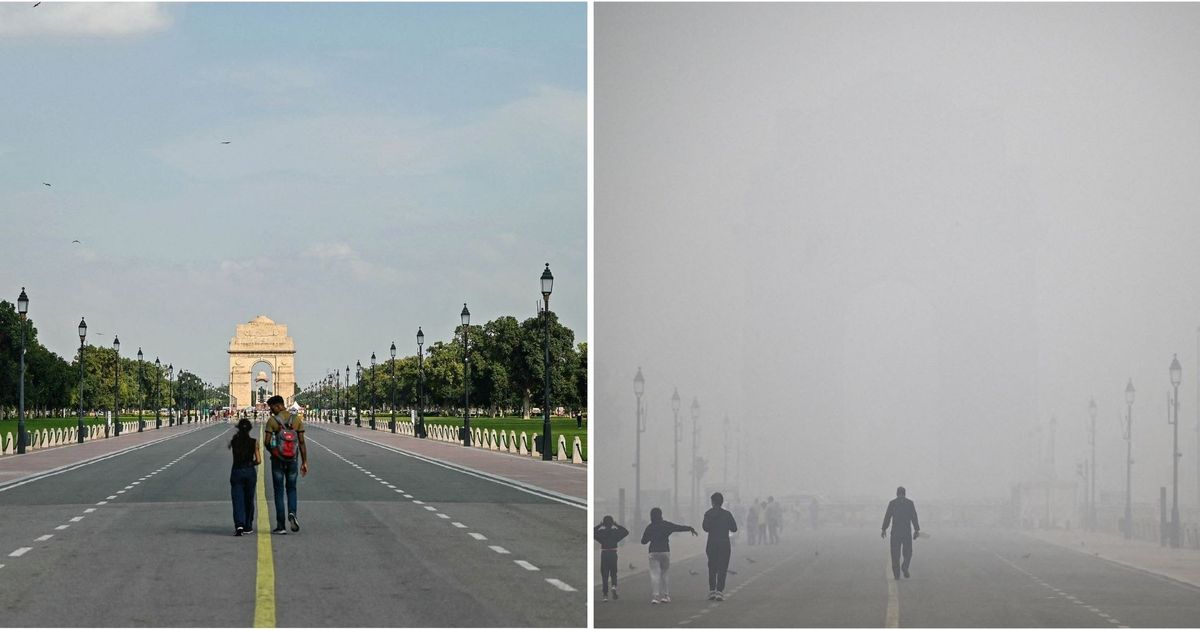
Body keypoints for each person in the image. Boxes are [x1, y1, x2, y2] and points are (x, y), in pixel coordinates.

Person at [264, 395, 308, 535]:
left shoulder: (272, 421)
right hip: (293, 459)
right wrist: (304, 461)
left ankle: (281, 525)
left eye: (271, 408)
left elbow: (266, 441)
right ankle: (292, 513)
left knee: (278, 491)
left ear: (277, 405)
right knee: (291, 488)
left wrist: (273, 452)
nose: (271, 411)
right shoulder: (296, 419)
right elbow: (301, 442)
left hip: (278, 460)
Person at [640, 507, 697, 604]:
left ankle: (655, 597)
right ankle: (666, 596)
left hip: (653, 552)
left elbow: (643, 541)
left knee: (654, 574)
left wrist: (651, 536)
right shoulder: (666, 525)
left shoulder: (650, 527)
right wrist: (690, 528)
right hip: (665, 551)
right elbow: (678, 527)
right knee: (664, 573)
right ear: (661, 515)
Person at [228, 418, 261, 536]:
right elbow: (259, 460)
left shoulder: (234, 441)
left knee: (237, 500)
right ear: (250, 429)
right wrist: (252, 463)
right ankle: (248, 525)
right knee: (249, 499)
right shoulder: (254, 442)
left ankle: (239, 525)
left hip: (236, 471)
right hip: (249, 471)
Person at [702, 492, 738, 601]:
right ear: (722, 502)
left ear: (712, 502)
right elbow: (734, 528)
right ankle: (719, 591)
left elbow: (705, 528)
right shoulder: (727, 514)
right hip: (724, 543)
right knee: (722, 567)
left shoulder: (708, 514)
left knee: (712, 567)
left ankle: (712, 590)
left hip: (712, 543)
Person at [881, 486, 920, 579]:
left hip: (895, 533)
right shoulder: (910, 503)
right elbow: (914, 517)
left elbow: (887, 517)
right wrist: (916, 529)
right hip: (906, 532)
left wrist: (883, 529)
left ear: (897, 493)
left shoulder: (892, 503)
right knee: (908, 553)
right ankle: (905, 566)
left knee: (895, 554)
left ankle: (896, 574)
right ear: (905, 493)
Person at [593, 515, 629, 602]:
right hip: (613, 553)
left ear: (604, 524)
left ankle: (605, 595)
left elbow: (592, 532)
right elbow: (626, 532)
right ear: (612, 523)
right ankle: (613, 586)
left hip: (604, 553)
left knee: (604, 575)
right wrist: (616, 525)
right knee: (613, 572)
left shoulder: (601, 532)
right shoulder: (615, 532)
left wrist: (599, 525)